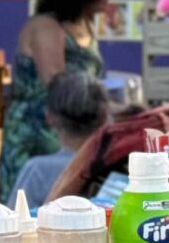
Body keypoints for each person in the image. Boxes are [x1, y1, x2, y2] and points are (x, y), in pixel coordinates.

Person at [1, 0, 115, 190]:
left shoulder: (85, 24)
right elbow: (57, 84)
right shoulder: (46, 27)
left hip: (75, 131)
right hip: (42, 131)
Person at [10, 71, 108, 204]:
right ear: (103, 117)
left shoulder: (37, 171)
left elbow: (14, 221)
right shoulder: (115, 169)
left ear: (49, 117)